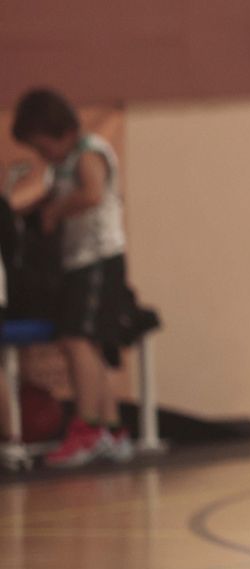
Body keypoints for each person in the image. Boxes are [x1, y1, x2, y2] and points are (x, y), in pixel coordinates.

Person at [10, 87, 135, 466]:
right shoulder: (61, 165)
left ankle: (86, 428)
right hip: (80, 262)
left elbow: (93, 195)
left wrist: (56, 212)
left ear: (59, 132)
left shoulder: (88, 152)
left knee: (76, 339)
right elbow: (50, 197)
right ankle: (110, 430)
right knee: (86, 345)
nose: (41, 155)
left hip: (98, 260)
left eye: (41, 145)